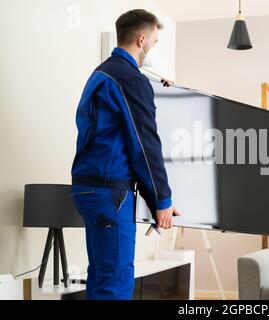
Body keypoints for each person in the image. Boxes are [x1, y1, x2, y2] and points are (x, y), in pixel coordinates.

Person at [70, 9, 181, 300]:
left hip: (88, 190)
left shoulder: (102, 73)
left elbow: (115, 136)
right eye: (155, 42)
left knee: (101, 278)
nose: (154, 48)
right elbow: (145, 145)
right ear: (142, 39)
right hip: (110, 193)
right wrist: (163, 200)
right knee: (115, 285)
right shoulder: (130, 79)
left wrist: (155, 199)